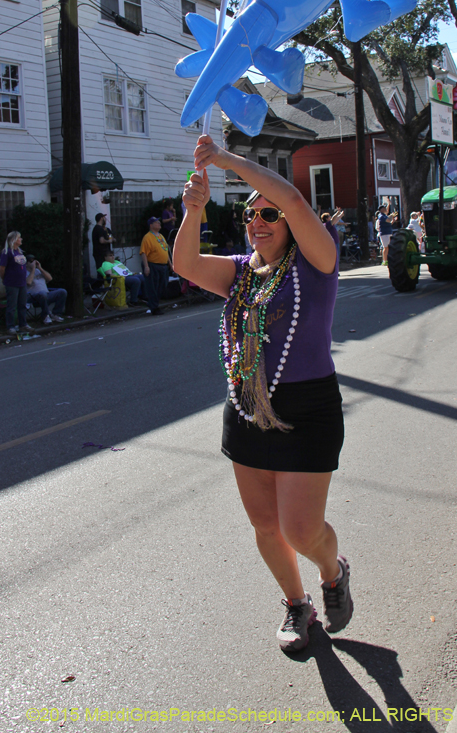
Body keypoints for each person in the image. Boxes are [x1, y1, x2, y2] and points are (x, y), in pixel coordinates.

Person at [173, 134, 353, 654]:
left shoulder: (318, 264)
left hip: (308, 410)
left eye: (269, 214)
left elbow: (295, 200)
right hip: (247, 408)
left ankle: (331, 569)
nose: (259, 222)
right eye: (252, 215)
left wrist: (225, 160)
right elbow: (184, 264)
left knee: (301, 529)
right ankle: (298, 606)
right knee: (266, 525)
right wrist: (195, 209)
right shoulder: (239, 273)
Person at [0, 231, 34, 334]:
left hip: (21, 282)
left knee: (22, 304)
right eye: (19, 238)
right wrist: (4, 278)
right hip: (12, 283)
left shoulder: (19, 251)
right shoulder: (7, 252)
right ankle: (10, 326)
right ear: (14, 240)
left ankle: (23, 324)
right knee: (12, 305)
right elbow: (2, 268)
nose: (21, 239)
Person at [140, 217, 172, 316]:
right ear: (151, 225)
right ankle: (154, 307)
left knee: (162, 286)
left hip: (163, 266)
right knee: (153, 287)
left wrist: (170, 264)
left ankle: (154, 304)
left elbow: (166, 251)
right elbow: (143, 252)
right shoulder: (147, 237)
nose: (159, 223)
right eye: (156, 222)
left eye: (159, 222)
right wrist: (146, 266)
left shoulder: (161, 236)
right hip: (152, 265)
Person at [25, 255, 67, 323]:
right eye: (31, 261)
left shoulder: (38, 271)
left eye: (34, 260)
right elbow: (28, 282)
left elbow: (50, 278)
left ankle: (56, 314)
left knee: (62, 292)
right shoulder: (24, 273)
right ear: (26, 263)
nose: (34, 263)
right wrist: (32, 269)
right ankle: (45, 316)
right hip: (33, 297)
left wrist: (40, 268)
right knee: (42, 293)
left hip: (46, 294)